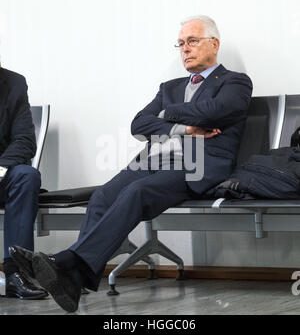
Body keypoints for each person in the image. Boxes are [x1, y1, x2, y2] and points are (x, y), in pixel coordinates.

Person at [10, 15, 253, 312]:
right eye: (180, 44)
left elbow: (217, 110)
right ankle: (72, 280)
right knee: (101, 196)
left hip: (197, 165)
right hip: (154, 161)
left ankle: (66, 264)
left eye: (192, 41)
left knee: (137, 192)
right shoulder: (170, 86)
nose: (184, 49)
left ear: (214, 44)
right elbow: (139, 124)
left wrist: (165, 114)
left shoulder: (235, 82)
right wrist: (184, 127)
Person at [0, 66, 48, 299]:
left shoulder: (14, 83)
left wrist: (0, 169)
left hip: (2, 172)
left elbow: (25, 140)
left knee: (26, 176)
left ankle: (16, 274)